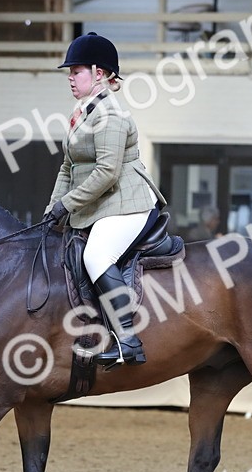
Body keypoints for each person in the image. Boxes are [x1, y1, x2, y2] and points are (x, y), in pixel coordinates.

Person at [43, 32, 167, 369]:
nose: (70, 78)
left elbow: (107, 172)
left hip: (127, 203)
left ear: (99, 73)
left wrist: (67, 205)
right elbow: (68, 167)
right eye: (70, 72)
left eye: (77, 71)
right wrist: (52, 208)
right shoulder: (81, 112)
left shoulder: (111, 115)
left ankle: (128, 340)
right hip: (101, 204)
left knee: (97, 256)